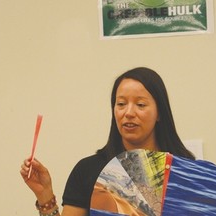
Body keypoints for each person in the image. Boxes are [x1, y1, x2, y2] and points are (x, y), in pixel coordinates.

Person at [20, 67, 195, 216]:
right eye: (121, 104)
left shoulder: (186, 171)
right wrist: (45, 196)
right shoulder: (87, 170)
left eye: (140, 105)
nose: (129, 112)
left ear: (160, 113)